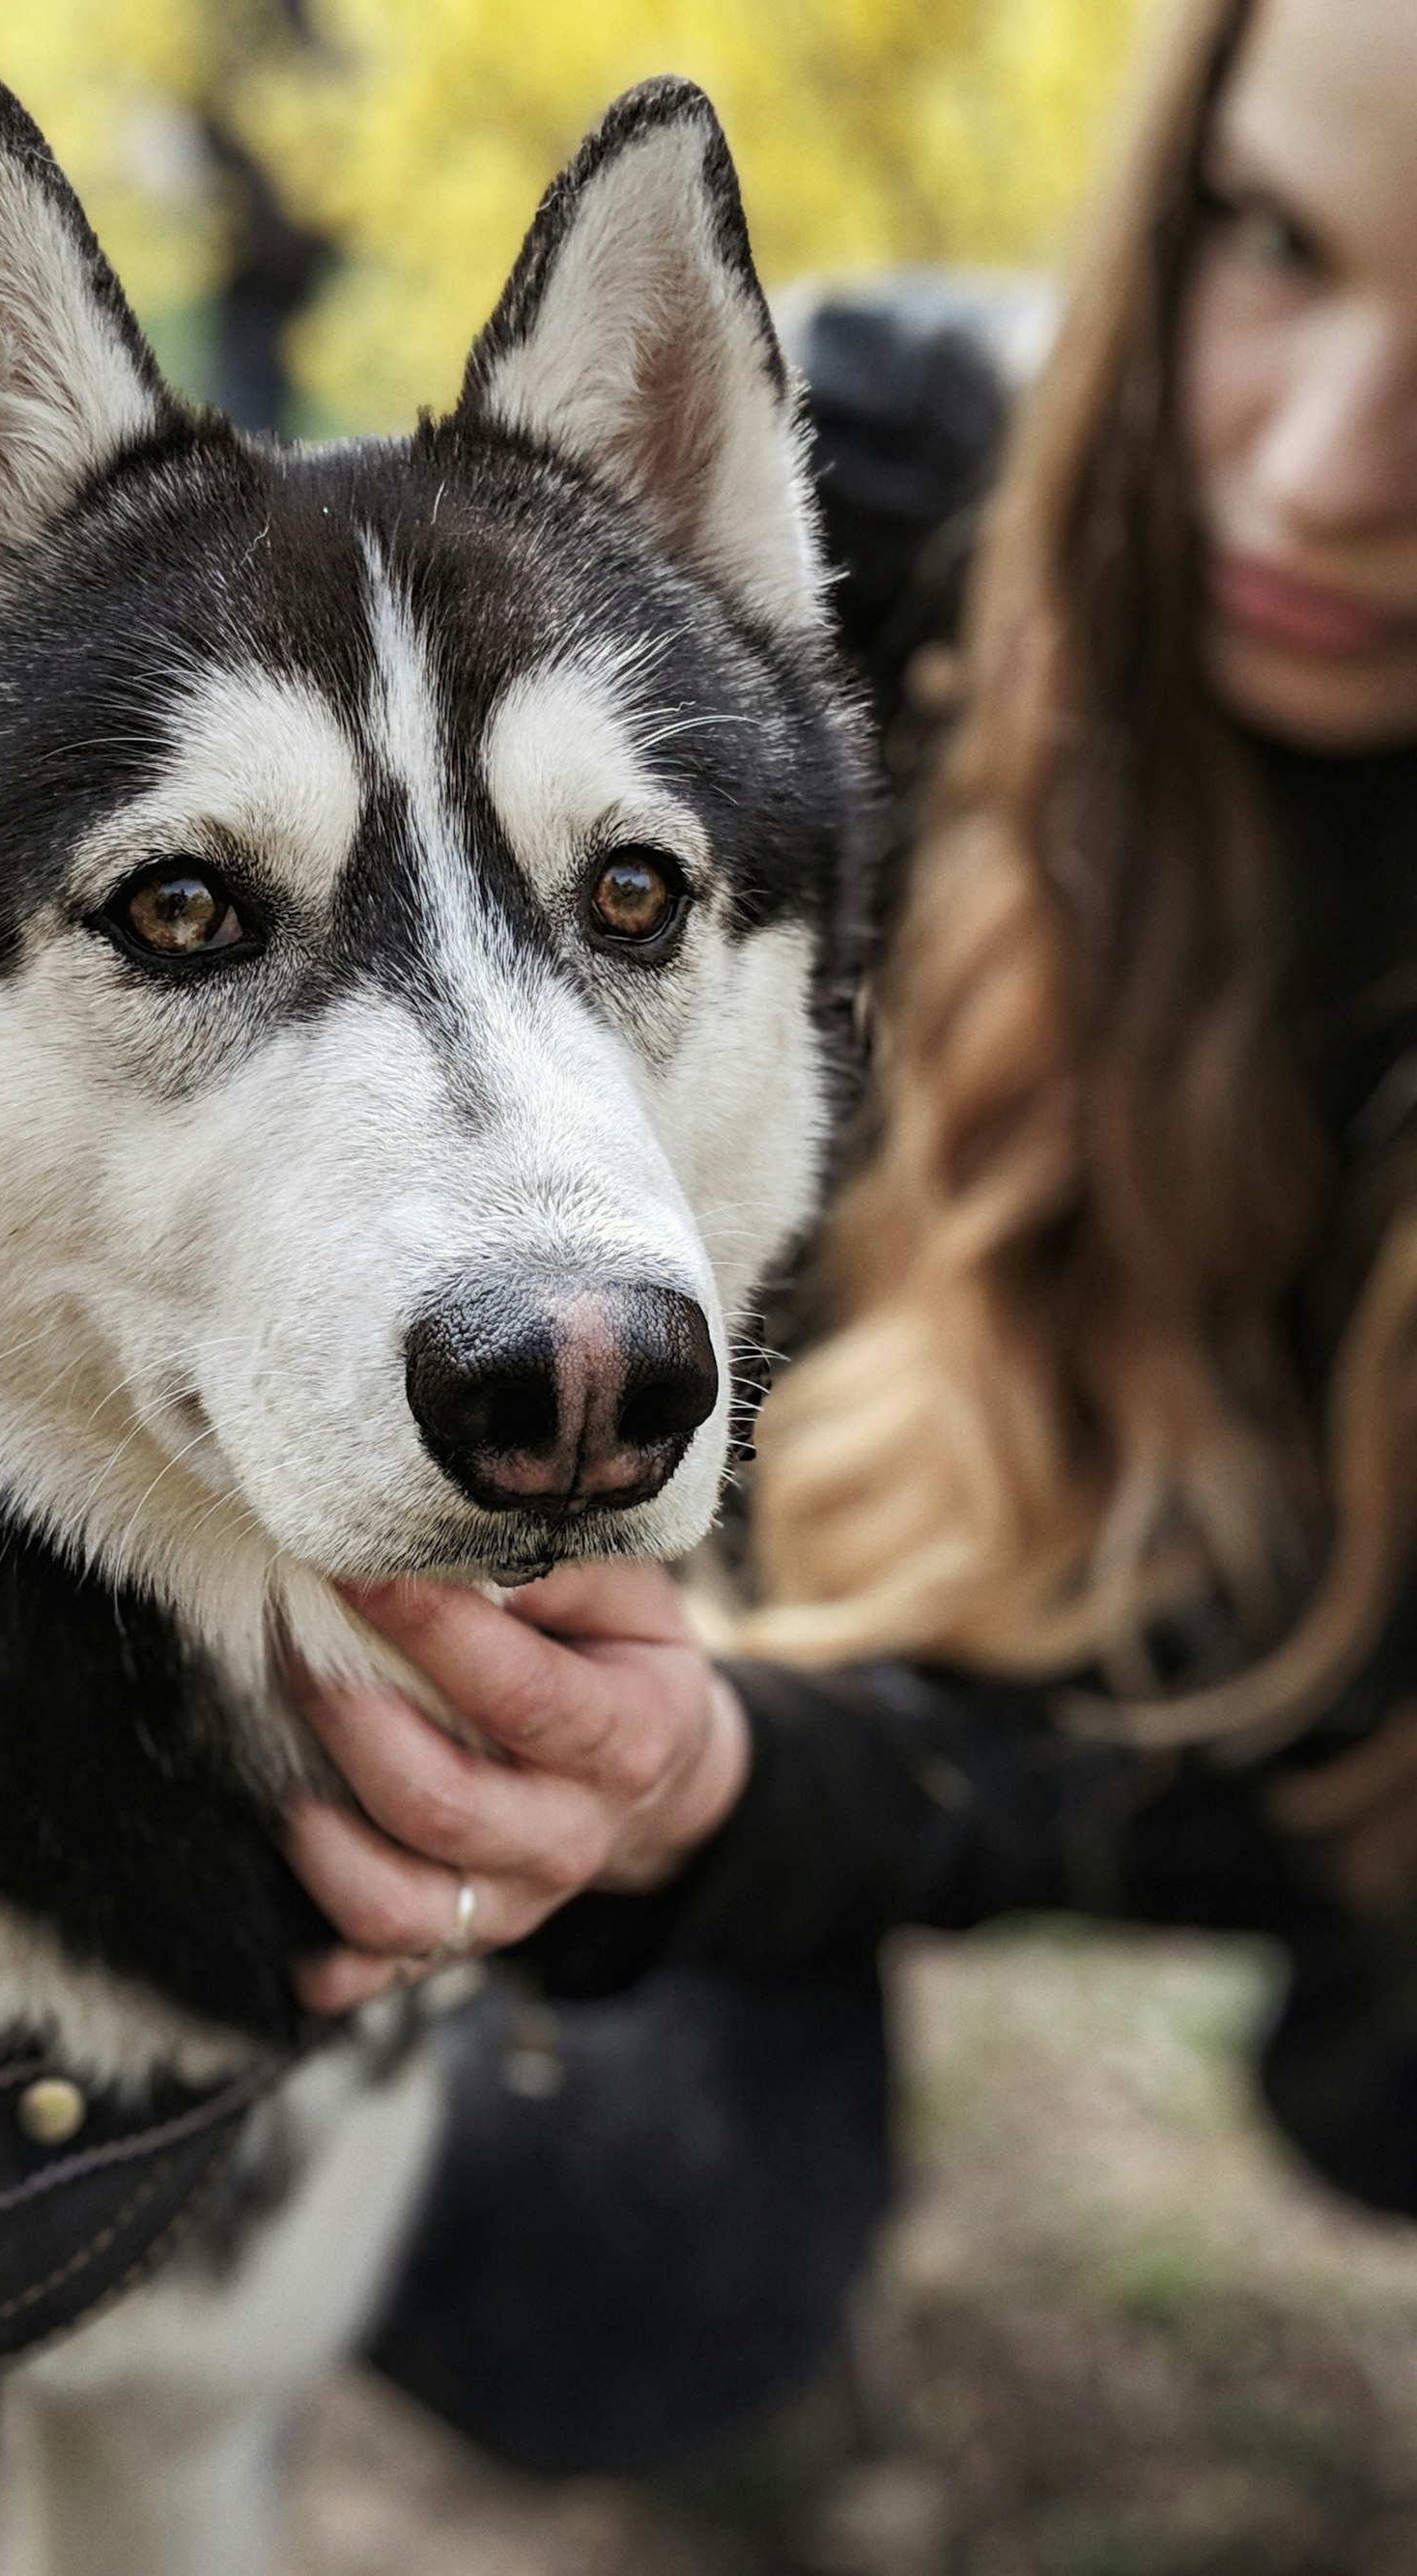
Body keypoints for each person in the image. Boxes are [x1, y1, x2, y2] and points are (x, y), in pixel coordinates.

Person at [280, 0, 1417, 2480]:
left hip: (1279, 1742)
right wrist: (664, 1760)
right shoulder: (857, 497)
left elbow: (1228, 1753)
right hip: (722, 1573)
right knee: (615, 2252)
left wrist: (762, 1778)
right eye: (1270, 240)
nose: (1325, 472)